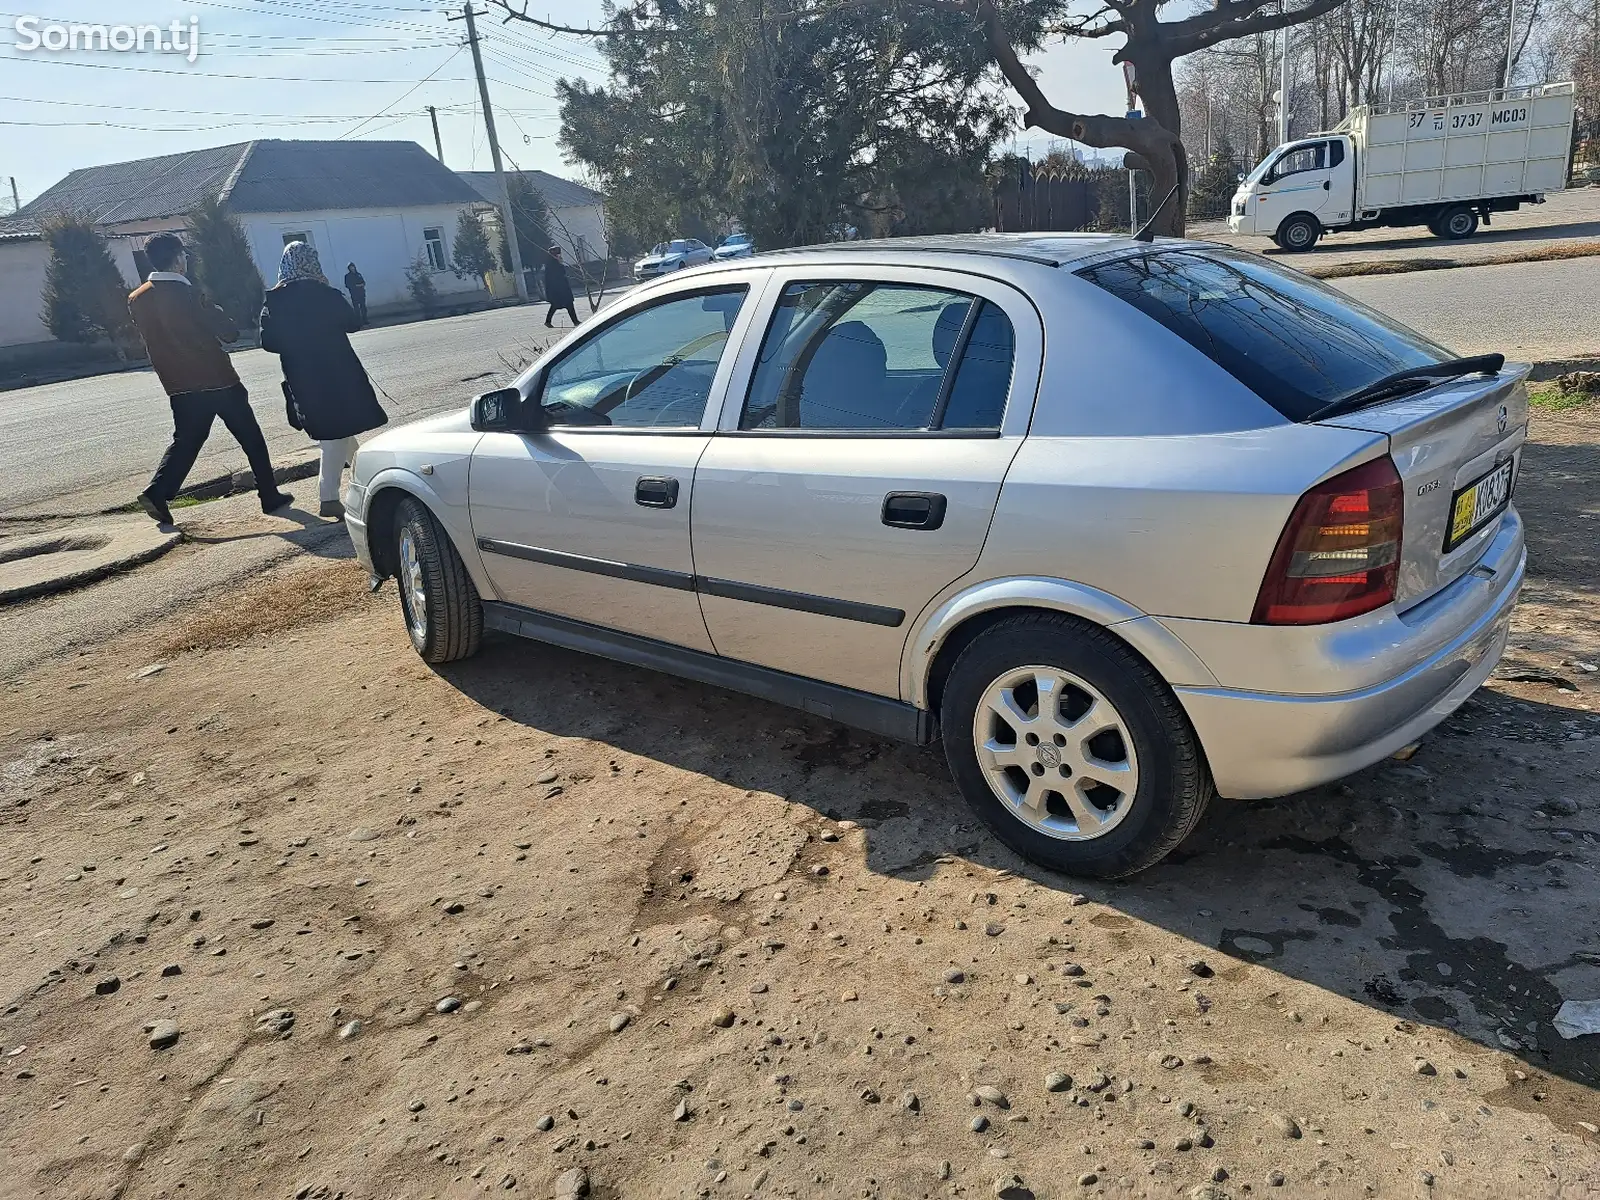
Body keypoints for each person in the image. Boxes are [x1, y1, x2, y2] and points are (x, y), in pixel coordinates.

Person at [130, 232, 292, 526]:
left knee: (187, 440)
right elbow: (227, 333)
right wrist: (216, 312)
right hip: (216, 379)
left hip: (178, 384)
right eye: (184, 256)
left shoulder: (138, 298)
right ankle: (269, 495)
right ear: (178, 259)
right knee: (250, 437)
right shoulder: (190, 294)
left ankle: (158, 491)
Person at [260, 241, 387, 519]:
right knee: (334, 434)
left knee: (338, 430)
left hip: (302, 375)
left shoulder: (275, 299)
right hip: (338, 371)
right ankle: (328, 496)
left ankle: (366, 477)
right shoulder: (325, 293)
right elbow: (352, 322)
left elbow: (267, 341)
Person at [542, 245, 579, 328]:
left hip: (561, 288)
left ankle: (575, 321)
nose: (559, 255)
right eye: (558, 254)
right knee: (556, 305)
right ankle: (548, 321)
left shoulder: (554, 262)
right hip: (557, 290)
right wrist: (560, 263)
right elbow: (559, 274)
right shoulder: (551, 264)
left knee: (568, 304)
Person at [343, 262, 368, 327]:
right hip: (354, 294)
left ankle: (365, 320)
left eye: (353, 267)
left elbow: (363, 282)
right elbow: (348, 285)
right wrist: (356, 286)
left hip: (361, 293)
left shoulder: (358, 274)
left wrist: (361, 285)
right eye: (350, 267)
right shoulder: (347, 276)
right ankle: (358, 321)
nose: (352, 268)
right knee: (356, 308)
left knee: (363, 307)